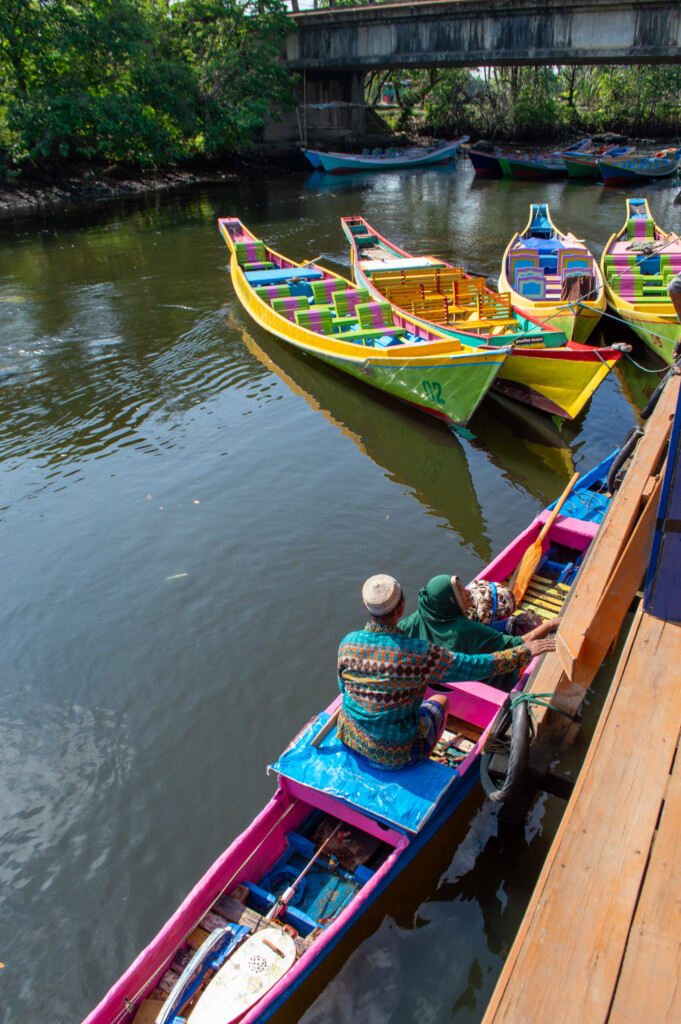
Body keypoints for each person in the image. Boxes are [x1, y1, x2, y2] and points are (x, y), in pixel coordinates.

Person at [337, 574, 555, 771]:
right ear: (402, 606)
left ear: (366, 606)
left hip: (350, 736)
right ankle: (424, 759)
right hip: (395, 754)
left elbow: (343, 688)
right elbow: (477, 665)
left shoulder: (347, 644)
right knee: (440, 700)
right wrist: (524, 653)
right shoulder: (419, 654)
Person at [399, 574, 559, 690]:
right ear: (451, 601)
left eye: (463, 587)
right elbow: (515, 645)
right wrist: (550, 625)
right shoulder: (463, 629)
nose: (468, 593)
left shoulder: (410, 622)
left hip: (430, 685)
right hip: (467, 688)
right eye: (461, 591)